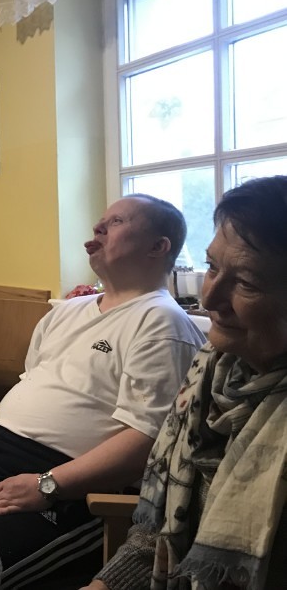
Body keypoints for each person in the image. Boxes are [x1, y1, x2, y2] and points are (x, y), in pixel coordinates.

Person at [0, 194, 207, 590]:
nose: (98, 228)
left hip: (70, 489)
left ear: (158, 246)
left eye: (116, 222)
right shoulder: (66, 311)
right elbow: (34, 386)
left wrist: (48, 485)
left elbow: (146, 443)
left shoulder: (161, 322)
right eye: (100, 221)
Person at [86, 177, 287, 590]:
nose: (209, 298)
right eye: (212, 267)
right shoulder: (209, 373)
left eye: (246, 283)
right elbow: (153, 536)